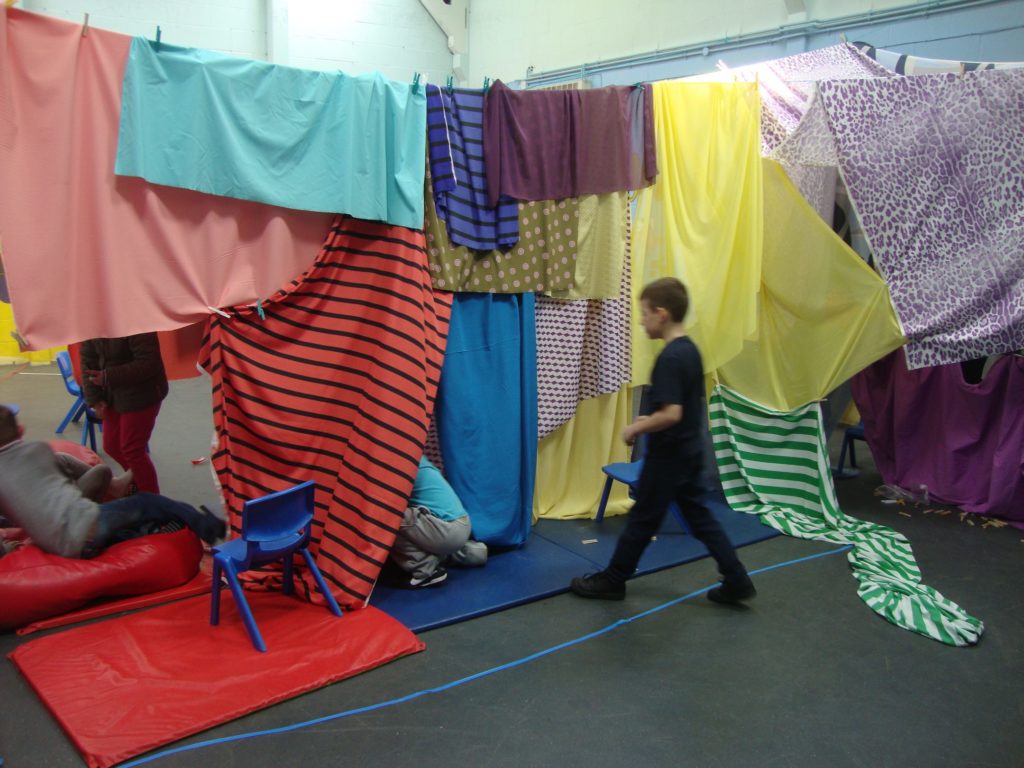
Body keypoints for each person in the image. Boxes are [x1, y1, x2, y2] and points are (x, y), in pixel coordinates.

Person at [570, 277, 755, 604]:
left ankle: (613, 580)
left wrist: (637, 428)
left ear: (662, 314)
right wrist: (649, 419)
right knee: (701, 519)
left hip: (668, 458)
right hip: (688, 452)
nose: (641, 320)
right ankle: (737, 579)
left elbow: (671, 413)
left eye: (644, 313)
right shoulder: (690, 351)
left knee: (642, 520)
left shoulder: (669, 358)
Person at [0, 405, 224, 559]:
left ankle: (146, 526)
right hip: (85, 525)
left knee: (113, 526)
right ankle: (211, 528)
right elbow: (63, 481)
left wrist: (6, 550)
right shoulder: (38, 449)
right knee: (149, 502)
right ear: (20, 430)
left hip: (65, 547)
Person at [80, 333, 169, 494]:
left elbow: (149, 362)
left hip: (143, 392)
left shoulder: (135, 317)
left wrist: (107, 376)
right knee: (112, 445)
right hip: (113, 392)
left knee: (132, 450)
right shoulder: (91, 321)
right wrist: (95, 399)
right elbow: (87, 362)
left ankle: (154, 503)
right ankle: (137, 484)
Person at [388, 455, 487, 588]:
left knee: (388, 516)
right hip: (460, 525)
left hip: (445, 531)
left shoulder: (398, 462)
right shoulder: (416, 457)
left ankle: (424, 570)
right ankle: (473, 553)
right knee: (418, 524)